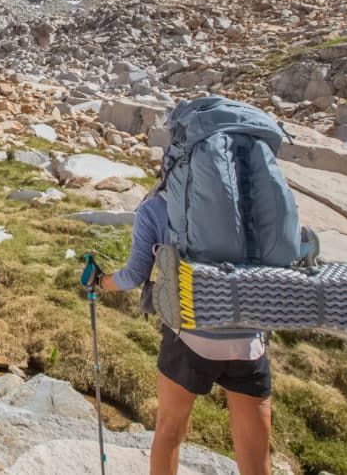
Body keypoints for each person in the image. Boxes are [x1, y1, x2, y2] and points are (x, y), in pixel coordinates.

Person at [93, 191, 273, 475]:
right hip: (247, 336)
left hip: (188, 336)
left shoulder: (156, 206)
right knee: (255, 455)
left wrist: (100, 282)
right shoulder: (251, 191)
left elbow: (134, 276)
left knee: (169, 430)